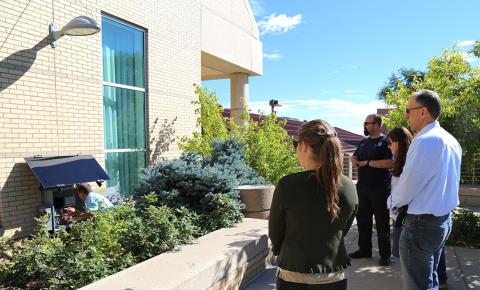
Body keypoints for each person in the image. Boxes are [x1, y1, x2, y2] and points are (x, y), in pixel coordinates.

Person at [269, 119, 358, 290]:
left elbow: (275, 233)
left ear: (303, 146)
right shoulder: (348, 187)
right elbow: (343, 229)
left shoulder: (288, 185)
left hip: (294, 275)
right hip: (334, 275)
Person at [388, 89, 461, 290]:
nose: (405, 116)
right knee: (430, 281)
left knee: (418, 285)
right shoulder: (451, 140)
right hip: (442, 221)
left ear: (423, 111)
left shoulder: (424, 141)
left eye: (408, 110)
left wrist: (391, 204)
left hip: (421, 225)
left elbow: (408, 185)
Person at [348, 114, 394, 266]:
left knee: (382, 223)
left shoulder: (386, 142)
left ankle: (385, 255)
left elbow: (390, 163)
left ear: (377, 125)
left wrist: (367, 163)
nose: (365, 125)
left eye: (368, 123)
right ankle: (364, 250)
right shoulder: (363, 142)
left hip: (380, 189)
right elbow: (354, 157)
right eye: (365, 123)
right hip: (363, 188)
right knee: (363, 221)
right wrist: (354, 160)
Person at [385, 127, 413, 258]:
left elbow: (403, 191)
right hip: (399, 214)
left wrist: (390, 203)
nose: (389, 146)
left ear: (399, 142)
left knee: (406, 256)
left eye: (391, 143)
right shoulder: (397, 159)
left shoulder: (409, 161)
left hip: (406, 215)